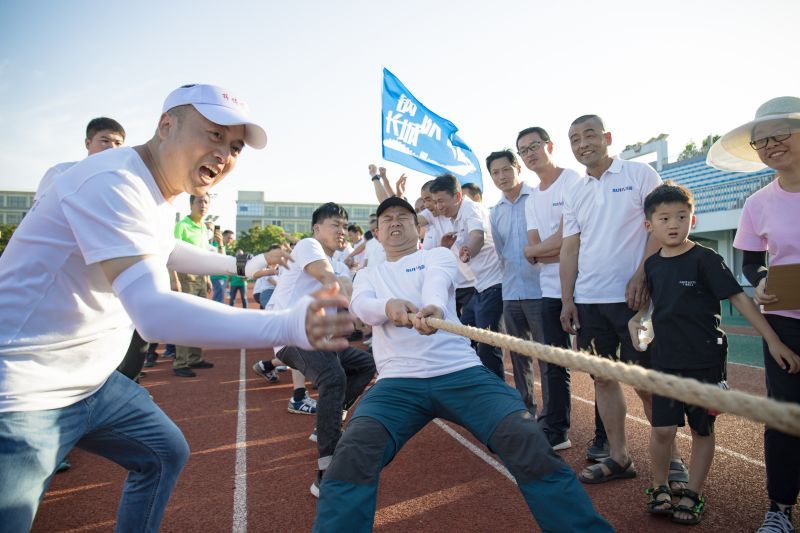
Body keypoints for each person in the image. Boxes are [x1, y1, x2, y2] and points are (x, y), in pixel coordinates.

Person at [0, 83, 354, 533]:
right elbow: (154, 314)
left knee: (164, 452)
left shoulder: (157, 191)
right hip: (22, 389)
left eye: (235, 146)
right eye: (212, 135)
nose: (224, 154)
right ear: (166, 126)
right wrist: (287, 325)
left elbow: (167, 250)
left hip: (88, 382)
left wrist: (244, 265)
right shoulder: (114, 181)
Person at [313, 196, 613, 533]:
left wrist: (433, 309)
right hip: (397, 384)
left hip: (461, 373)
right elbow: (362, 308)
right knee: (350, 456)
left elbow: (436, 285)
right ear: (377, 232)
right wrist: (390, 306)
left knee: (526, 439)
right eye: (386, 219)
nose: (394, 222)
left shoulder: (438, 255)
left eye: (402, 217)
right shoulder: (369, 274)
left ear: (418, 228)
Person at [629, 182, 799, 525]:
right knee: (662, 430)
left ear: (694, 220)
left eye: (681, 216)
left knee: (702, 430)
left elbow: (741, 301)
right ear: (650, 225)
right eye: (664, 218)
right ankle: (659, 486)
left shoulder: (706, 259)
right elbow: (650, 310)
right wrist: (638, 321)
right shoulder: (652, 265)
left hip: (705, 363)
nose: (673, 223)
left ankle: (692, 491)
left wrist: (774, 341)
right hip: (665, 363)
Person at [559, 114, 679, 484]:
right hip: (590, 301)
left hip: (634, 300)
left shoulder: (640, 175)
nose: (582, 144)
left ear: (608, 137)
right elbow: (570, 247)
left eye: (589, 134)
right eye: (575, 139)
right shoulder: (575, 191)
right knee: (603, 380)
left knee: (646, 381)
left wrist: (642, 274)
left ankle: (672, 461)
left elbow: (659, 226)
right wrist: (568, 299)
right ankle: (619, 457)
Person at [708, 96, 800, 533]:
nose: (770, 145)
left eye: (779, 134)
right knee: (784, 415)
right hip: (788, 323)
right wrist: (761, 279)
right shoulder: (757, 202)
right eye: (761, 140)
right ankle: (780, 508)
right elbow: (750, 262)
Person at [260, 202, 376, 496]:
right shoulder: (308, 247)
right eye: (334, 225)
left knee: (364, 365)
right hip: (289, 335)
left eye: (343, 226)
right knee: (333, 377)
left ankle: (329, 420)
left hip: (319, 339)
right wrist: (361, 313)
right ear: (316, 228)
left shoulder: (339, 263)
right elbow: (329, 279)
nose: (341, 231)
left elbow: (350, 293)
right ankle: (326, 472)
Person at [520, 126, 582, 454]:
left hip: (581, 286)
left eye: (534, 146)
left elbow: (568, 241)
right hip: (548, 290)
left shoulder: (571, 181)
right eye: (523, 150)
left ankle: (605, 437)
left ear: (549, 146)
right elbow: (532, 250)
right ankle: (556, 429)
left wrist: (542, 251)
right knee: (553, 362)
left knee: (599, 367)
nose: (530, 154)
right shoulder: (532, 198)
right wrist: (545, 250)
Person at [486, 150, 545, 429]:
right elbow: (502, 253)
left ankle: (553, 420)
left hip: (541, 290)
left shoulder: (538, 198)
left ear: (517, 168)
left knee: (549, 358)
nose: (501, 177)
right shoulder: (495, 212)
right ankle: (527, 411)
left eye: (506, 170)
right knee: (519, 357)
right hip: (511, 292)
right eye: (495, 173)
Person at [430, 174, 504, 378]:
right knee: (461, 337)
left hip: (494, 285)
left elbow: (477, 236)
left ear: (457, 196)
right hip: (479, 288)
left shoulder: (471, 209)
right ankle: (473, 383)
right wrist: (446, 247)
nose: (439, 206)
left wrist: (469, 250)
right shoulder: (452, 218)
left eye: (441, 201)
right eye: (435, 202)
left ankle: (496, 396)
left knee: (488, 346)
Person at [171, 193, 216, 377]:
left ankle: (195, 358)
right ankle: (180, 362)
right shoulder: (182, 226)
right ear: (191, 204)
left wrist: (207, 278)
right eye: (199, 201)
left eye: (206, 202)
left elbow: (204, 256)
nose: (203, 205)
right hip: (184, 278)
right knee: (184, 320)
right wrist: (174, 280)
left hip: (200, 278)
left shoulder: (204, 228)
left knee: (198, 319)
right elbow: (171, 253)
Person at [34, 117, 126, 200]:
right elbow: (36, 213)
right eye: (105, 141)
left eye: (118, 143)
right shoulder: (60, 172)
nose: (112, 147)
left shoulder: (124, 180)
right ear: (88, 143)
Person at [210, 229, 235, 303]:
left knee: (219, 299)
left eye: (232, 239)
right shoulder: (215, 244)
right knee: (218, 300)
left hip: (222, 277)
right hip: (217, 276)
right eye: (229, 238)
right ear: (223, 236)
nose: (230, 240)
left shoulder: (223, 246)